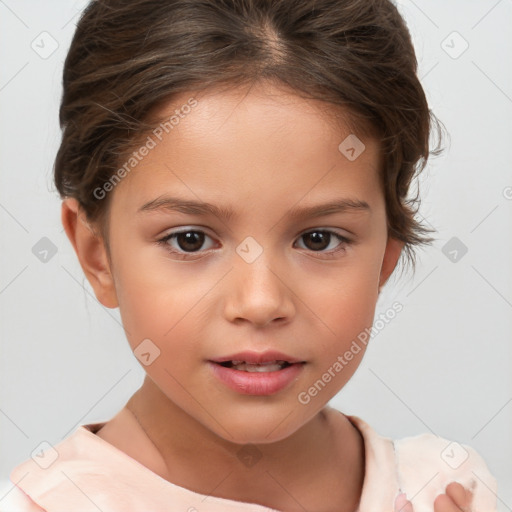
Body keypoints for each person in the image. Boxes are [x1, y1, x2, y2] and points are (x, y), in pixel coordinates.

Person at [3, 0, 498, 511]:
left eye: (319, 239)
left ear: (386, 255)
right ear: (96, 254)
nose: (260, 303)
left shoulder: (449, 488)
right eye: (190, 240)